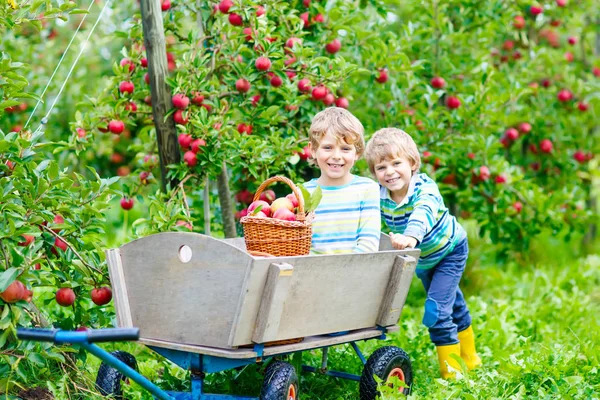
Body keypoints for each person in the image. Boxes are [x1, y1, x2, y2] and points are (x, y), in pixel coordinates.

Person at [364, 127, 482, 379]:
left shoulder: (425, 189)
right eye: (381, 168)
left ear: (413, 163)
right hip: (425, 261)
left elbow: (423, 212)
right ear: (374, 173)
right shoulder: (379, 195)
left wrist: (410, 236)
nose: (390, 172)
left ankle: (452, 375)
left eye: (396, 163)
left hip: (450, 250)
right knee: (453, 303)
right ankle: (470, 358)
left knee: (436, 311)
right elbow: (365, 214)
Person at [303, 107, 381, 254]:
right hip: (312, 271)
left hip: (354, 270)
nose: (337, 156)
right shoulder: (304, 192)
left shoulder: (367, 189)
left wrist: (343, 271)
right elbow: (300, 244)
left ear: (357, 152)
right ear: (313, 149)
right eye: (328, 147)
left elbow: (368, 243)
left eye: (345, 149)